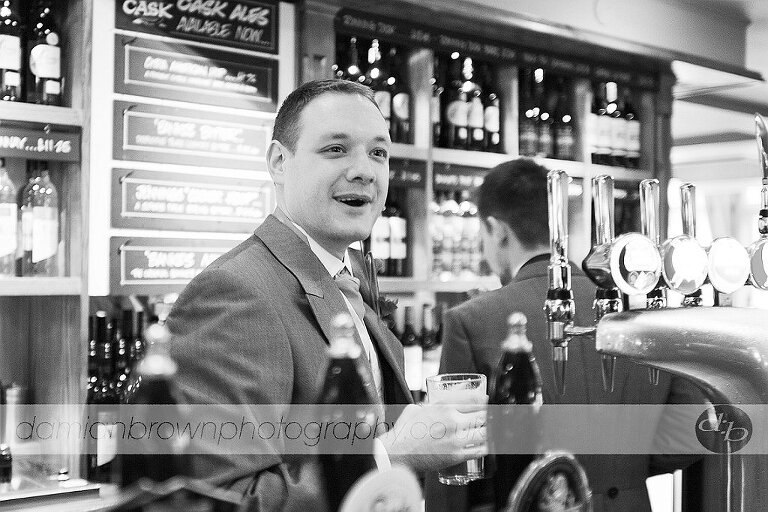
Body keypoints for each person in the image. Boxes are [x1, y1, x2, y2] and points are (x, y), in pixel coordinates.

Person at [166, 79, 486, 511]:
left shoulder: (343, 276)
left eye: (378, 152)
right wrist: (391, 455)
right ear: (279, 162)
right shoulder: (236, 292)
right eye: (336, 149)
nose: (365, 171)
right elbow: (216, 499)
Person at [428, 158, 702, 512]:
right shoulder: (646, 315)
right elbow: (693, 429)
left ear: (496, 230)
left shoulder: (471, 321)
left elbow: (453, 467)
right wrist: (620, 471)